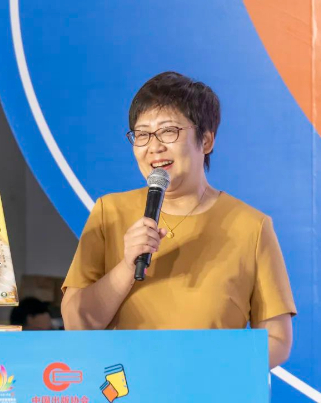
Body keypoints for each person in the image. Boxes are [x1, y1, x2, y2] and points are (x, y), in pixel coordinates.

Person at [61, 71, 296, 368]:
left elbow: (277, 339)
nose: (154, 146)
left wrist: (206, 373)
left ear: (206, 140)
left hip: (209, 387)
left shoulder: (252, 226)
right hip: (126, 386)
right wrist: (126, 267)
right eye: (142, 134)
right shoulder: (109, 211)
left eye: (168, 131)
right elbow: (76, 323)